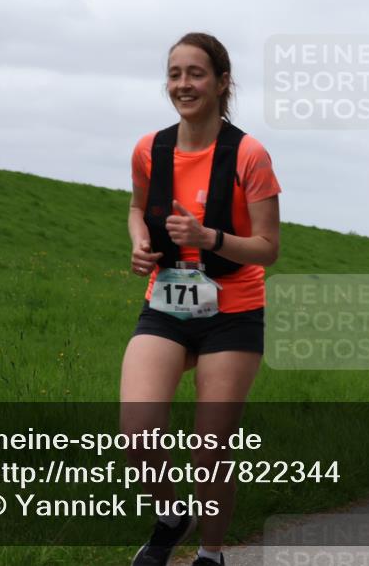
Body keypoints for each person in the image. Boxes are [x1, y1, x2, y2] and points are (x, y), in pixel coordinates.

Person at [121, 32, 281, 566]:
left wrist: (207, 237)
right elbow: (136, 208)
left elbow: (268, 247)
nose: (183, 84)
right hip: (166, 305)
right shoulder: (150, 149)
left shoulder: (249, 155)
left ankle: (211, 553)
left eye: (196, 73)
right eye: (175, 74)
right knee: (138, 433)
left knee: (209, 450)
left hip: (233, 312)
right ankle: (172, 517)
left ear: (221, 82)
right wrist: (140, 243)